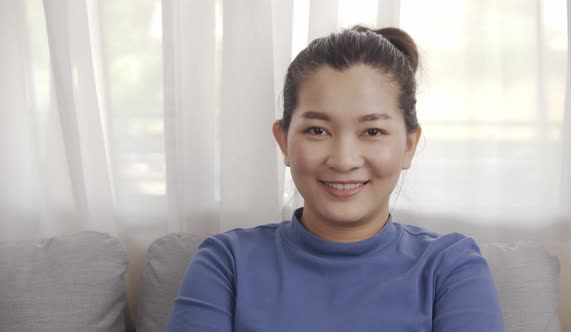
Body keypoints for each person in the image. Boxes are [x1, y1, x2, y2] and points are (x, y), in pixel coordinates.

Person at [166, 25, 505, 332]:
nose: (343, 160)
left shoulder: (451, 267)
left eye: (372, 131)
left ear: (409, 146)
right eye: (318, 130)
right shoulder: (226, 262)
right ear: (284, 141)